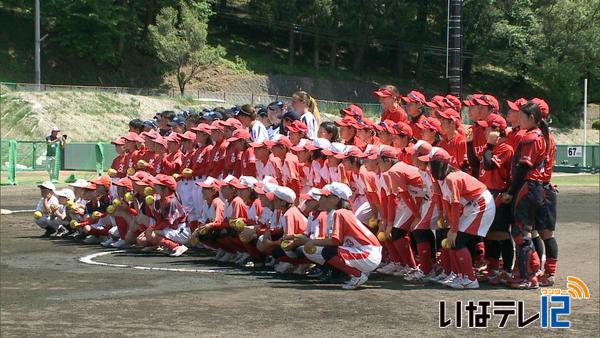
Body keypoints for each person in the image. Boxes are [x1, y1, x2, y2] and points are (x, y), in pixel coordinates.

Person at [423, 147, 495, 289]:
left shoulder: (451, 178)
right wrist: (448, 222)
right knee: (452, 240)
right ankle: (459, 275)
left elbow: (455, 205)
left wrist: (454, 230)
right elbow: (447, 202)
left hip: (481, 204)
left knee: (457, 240)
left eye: (430, 163)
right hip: (471, 205)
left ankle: (470, 279)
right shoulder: (442, 178)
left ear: (438, 164)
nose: (428, 166)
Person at [303, 182, 382, 290]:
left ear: (336, 199)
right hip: (366, 252)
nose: (321, 199)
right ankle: (350, 273)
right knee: (326, 250)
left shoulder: (340, 213)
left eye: (325, 196)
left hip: (367, 253)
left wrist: (313, 241)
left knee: (328, 251)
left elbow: (335, 241)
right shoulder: (338, 212)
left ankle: (357, 275)